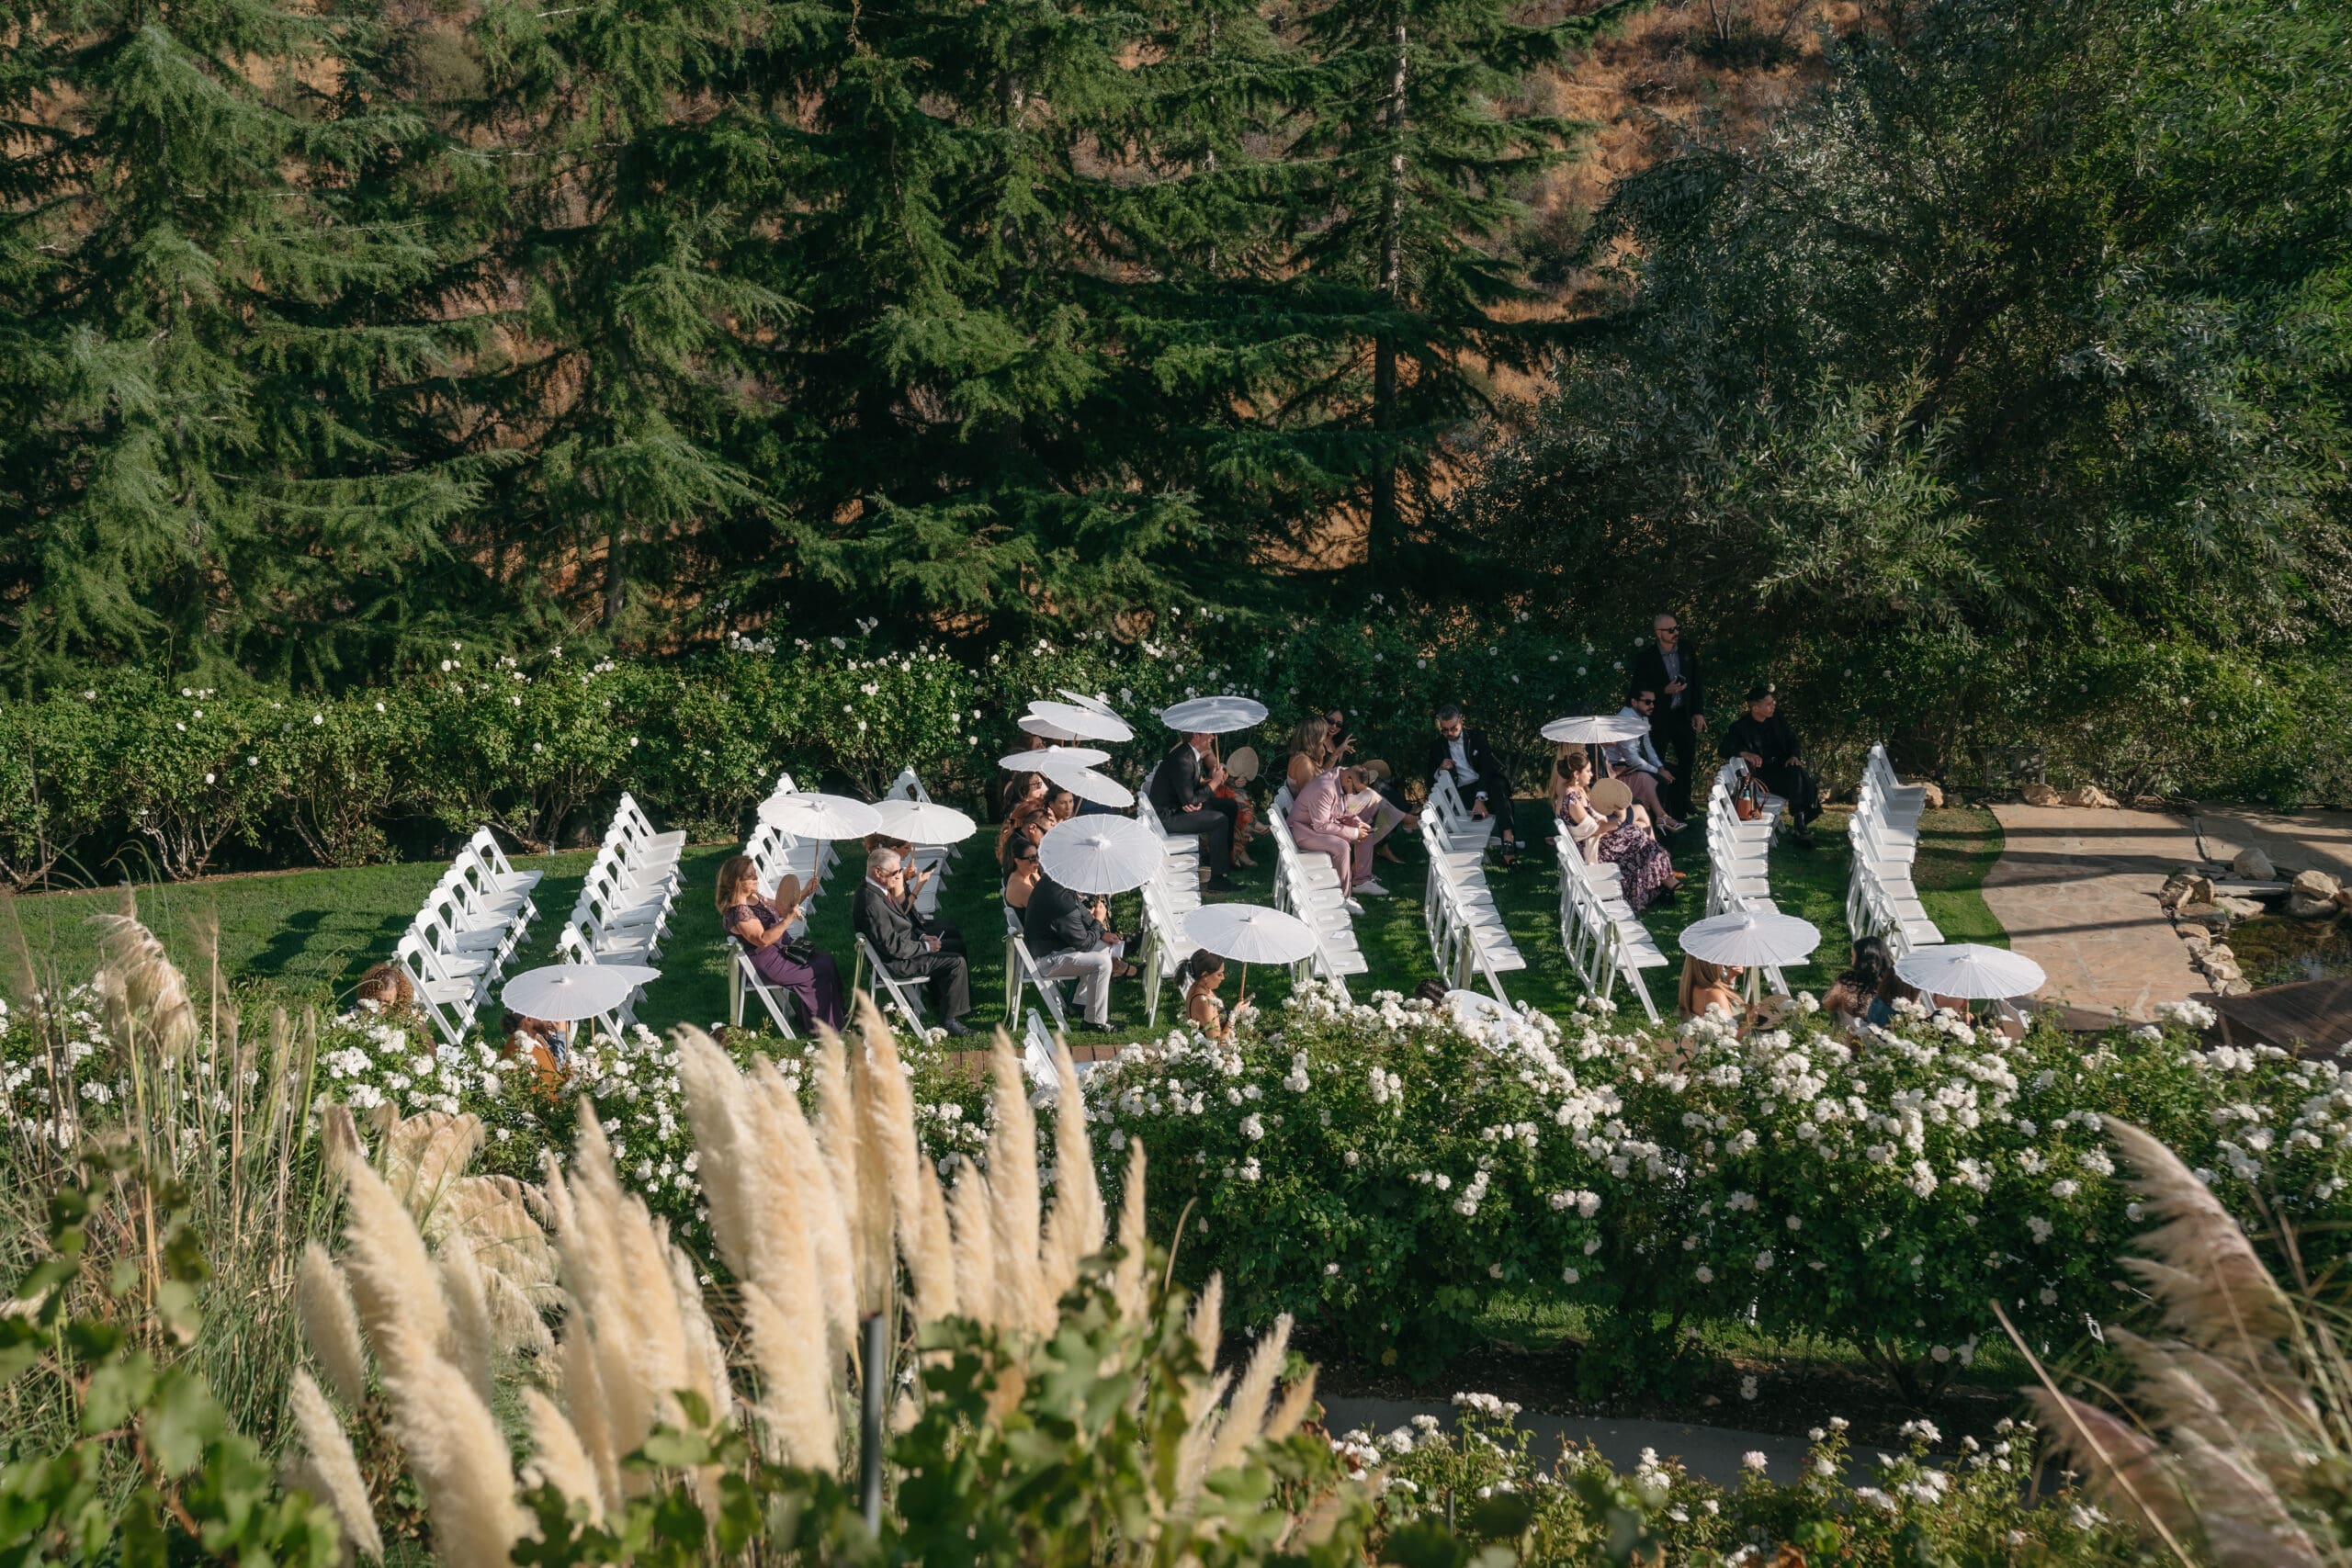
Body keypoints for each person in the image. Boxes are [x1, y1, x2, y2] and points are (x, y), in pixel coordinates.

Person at [717, 854, 846, 1031]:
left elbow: (781, 908)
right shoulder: (739, 912)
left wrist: (806, 891)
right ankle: (825, 1028)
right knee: (816, 970)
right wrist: (788, 921)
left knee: (826, 961)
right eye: (750, 875)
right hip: (768, 963)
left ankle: (832, 1016)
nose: (756, 877)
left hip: (780, 951)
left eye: (755, 873)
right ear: (736, 882)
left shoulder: (754, 897)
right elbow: (762, 940)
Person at [854, 847, 974, 1036]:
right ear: (877, 872)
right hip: (896, 963)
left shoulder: (878, 890)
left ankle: (948, 1003)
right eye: (895, 872)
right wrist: (925, 946)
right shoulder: (871, 902)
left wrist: (921, 937)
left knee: (955, 947)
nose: (899, 876)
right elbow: (892, 946)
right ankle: (948, 1022)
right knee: (956, 962)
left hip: (903, 951)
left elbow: (900, 925)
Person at [1553, 752, 1680, 911]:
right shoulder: (1572, 800)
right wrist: (1619, 820)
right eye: (1588, 771)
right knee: (1637, 835)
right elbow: (1594, 829)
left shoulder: (1577, 791)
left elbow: (1596, 822)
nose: (1591, 774)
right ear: (1576, 774)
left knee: (1638, 833)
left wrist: (1612, 813)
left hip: (1597, 840)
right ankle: (1665, 880)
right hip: (1595, 848)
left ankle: (1663, 880)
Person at [1022, 872, 1127, 1028]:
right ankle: (1094, 1022)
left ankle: (1080, 1003)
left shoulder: (1055, 880)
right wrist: (1098, 921)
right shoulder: (1063, 903)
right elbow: (1083, 944)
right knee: (1102, 963)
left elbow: (1081, 912)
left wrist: (1102, 932)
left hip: (1050, 947)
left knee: (1104, 947)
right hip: (1043, 960)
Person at [1722, 684, 1823, 846]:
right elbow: (1724, 749)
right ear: (1756, 708)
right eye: (1769, 704)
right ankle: (1800, 822)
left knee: (1796, 770)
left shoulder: (1777, 719)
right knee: (1803, 780)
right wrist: (1744, 753)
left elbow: (1792, 739)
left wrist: (1794, 756)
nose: (1773, 706)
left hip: (1783, 768)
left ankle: (1799, 819)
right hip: (1763, 776)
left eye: (1773, 702)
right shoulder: (1740, 727)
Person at [1631, 614, 1706, 819]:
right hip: (1660, 717)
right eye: (1671, 630)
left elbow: (1696, 681)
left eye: (1677, 628)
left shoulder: (1686, 649)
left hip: (1683, 714)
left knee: (1687, 759)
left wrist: (1698, 711)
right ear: (1658, 633)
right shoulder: (1647, 657)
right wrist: (1664, 690)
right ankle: (1660, 806)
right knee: (1658, 761)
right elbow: (1638, 690)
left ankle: (1683, 802)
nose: (1676, 633)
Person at [1424, 705, 1519, 864]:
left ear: (1461, 722)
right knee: (1501, 796)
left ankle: (1508, 838)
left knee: (1498, 787)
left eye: (1453, 729)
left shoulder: (1477, 737)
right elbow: (1430, 781)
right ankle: (1508, 844)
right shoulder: (1437, 746)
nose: (1449, 733)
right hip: (1462, 793)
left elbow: (1487, 768)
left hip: (1484, 783)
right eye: (1445, 730)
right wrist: (1440, 769)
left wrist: (1480, 798)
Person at [1147, 730, 1238, 890]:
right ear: (1196, 735)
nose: (1213, 737)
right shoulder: (1182, 759)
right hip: (1168, 816)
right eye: (1209, 734)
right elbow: (1190, 800)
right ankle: (1217, 880)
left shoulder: (1189, 754)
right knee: (1220, 821)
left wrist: (1211, 781)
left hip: (1180, 806)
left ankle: (1224, 859)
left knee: (1229, 806)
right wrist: (1215, 782)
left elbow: (1190, 790)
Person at [1291, 761, 1377, 909]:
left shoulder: (1342, 776)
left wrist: (1358, 824)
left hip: (1317, 826)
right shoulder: (1325, 788)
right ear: (1349, 780)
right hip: (1303, 830)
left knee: (1366, 835)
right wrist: (1354, 833)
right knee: (1341, 847)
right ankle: (1343, 898)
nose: (1354, 794)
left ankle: (1361, 881)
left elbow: (1343, 811)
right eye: (1356, 791)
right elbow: (1322, 825)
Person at [1606, 690, 1685, 833]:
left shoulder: (1642, 717)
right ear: (1634, 702)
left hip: (1633, 763)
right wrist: (1658, 772)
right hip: (1620, 766)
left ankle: (1675, 815)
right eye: (1647, 702)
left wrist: (1660, 766)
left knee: (1674, 772)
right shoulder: (1624, 721)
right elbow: (1632, 758)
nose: (1652, 706)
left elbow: (1648, 746)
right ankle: (1658, 825)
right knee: (1660, 781)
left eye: (1653, 702)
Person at [1824, 937, 1897, 1027]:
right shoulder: (1895, 981)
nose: (1851, 959)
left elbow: (1828, 1003)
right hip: (1889, 1029)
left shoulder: (1848, 982)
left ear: (1861, 960)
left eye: (1852, 956)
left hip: (1859, 1029)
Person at [1178, 949, 1235, 1040]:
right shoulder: (1205, 1003)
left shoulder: (1198, 987)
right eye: (1219, 974)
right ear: (1205, 976)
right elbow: (1217, 1043)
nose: (1223, 978)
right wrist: (1233, 1018)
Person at [1678, 956, 1748, 1022]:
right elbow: (1731, 1029)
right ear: (1710, 965)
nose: (1723, 964)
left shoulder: (1691, 986)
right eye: (1720, 960)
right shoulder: (1714, 994)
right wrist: (1751, 1017)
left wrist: (1731, 977)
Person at [1002, 833, 1045, 910]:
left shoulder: (1029, 872)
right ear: (1018, 861)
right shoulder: (1021, 887)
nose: (1038, 861)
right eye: (1032, 858)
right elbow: (1045, 909)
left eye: (1037, 855)